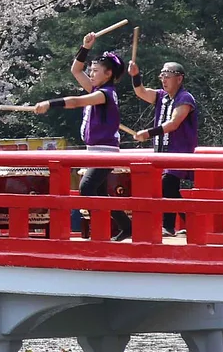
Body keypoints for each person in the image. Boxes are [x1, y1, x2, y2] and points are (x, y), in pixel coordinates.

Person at [34, 33, 130, 240]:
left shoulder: (105, 93)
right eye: (92, 70)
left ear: (108, 74)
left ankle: (108, 228)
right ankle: (124, 227)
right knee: (99, 192)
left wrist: (50, 103)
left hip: (106, 151)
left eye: (96, 71)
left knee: (87, 188)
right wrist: (85, 47)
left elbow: (76, 102)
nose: (91, 73)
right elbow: (76, 70)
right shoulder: (97, 89)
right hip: (95, 150)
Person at [130, 60, 199, 235]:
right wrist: (135, 75)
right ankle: (191, 222)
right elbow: (141, 92)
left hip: (179, 150)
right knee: (170, 188)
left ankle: (170, 226)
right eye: (162, 76)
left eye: (167, 76)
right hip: (162, 151)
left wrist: (148, 133)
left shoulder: (185, 98)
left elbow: (174, 123)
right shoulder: (161, 96)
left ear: (179, 79)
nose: (164, 80)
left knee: (168, 184)